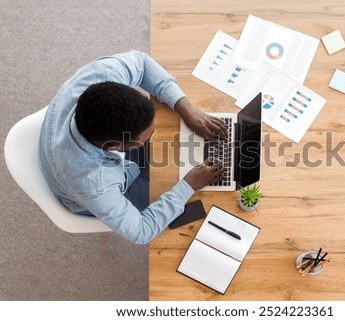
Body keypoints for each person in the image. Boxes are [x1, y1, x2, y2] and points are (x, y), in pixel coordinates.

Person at [39, 50, 226, 244]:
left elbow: (143, 63)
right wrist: (188, 185)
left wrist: (185, 109)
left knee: (172, 144)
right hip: (84, 190)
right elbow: (142, 231)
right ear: (115, 148)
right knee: (192, 196)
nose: (151, 139)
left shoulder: (103, 74)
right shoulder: (94, 186)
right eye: (147, 138)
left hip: (71, 145)